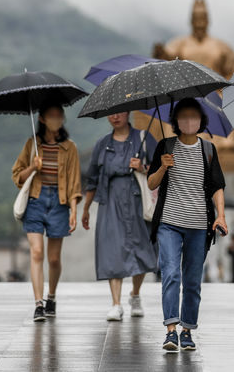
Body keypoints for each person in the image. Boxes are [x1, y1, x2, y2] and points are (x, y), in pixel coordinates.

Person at [147, 98, 228, 352]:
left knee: (192, 280)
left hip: (198, 225)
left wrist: (221, 216)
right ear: (176, 121)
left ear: (201, 121)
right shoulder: (165, 145)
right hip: (169, 222)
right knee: (170, 274)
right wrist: (163, 166)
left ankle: (187, 330)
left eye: (194, 117)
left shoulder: (208, 149)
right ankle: (171, 330)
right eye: (184, 116)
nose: (189, 121)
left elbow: (217, 187)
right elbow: (151, 183)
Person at [82, 111, 159, 321]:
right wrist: (86, 208)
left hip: (136, 200)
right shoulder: (102, 144)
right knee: (111, 249)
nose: (115, 117)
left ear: (128, 114)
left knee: (140, 249)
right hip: (110, 201)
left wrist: (142, 167)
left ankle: (135, 294)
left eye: (120, 113)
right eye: (111, 114)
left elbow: (161, 169)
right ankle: (116, 303)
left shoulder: (143, 138)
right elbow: (92, 179)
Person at [12, 101, 82, 322]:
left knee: (53, 258)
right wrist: (34, 166)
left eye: (59, 115)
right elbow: (17, 176)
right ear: (41, 119)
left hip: (59, 203)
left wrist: (73, 210)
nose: (56, 119)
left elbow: (74, 181)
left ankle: (51, 296)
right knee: (37, 253)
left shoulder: (70, 147)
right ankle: (38, 303)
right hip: (36, 201)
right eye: (51, 115)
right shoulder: (32, 144)